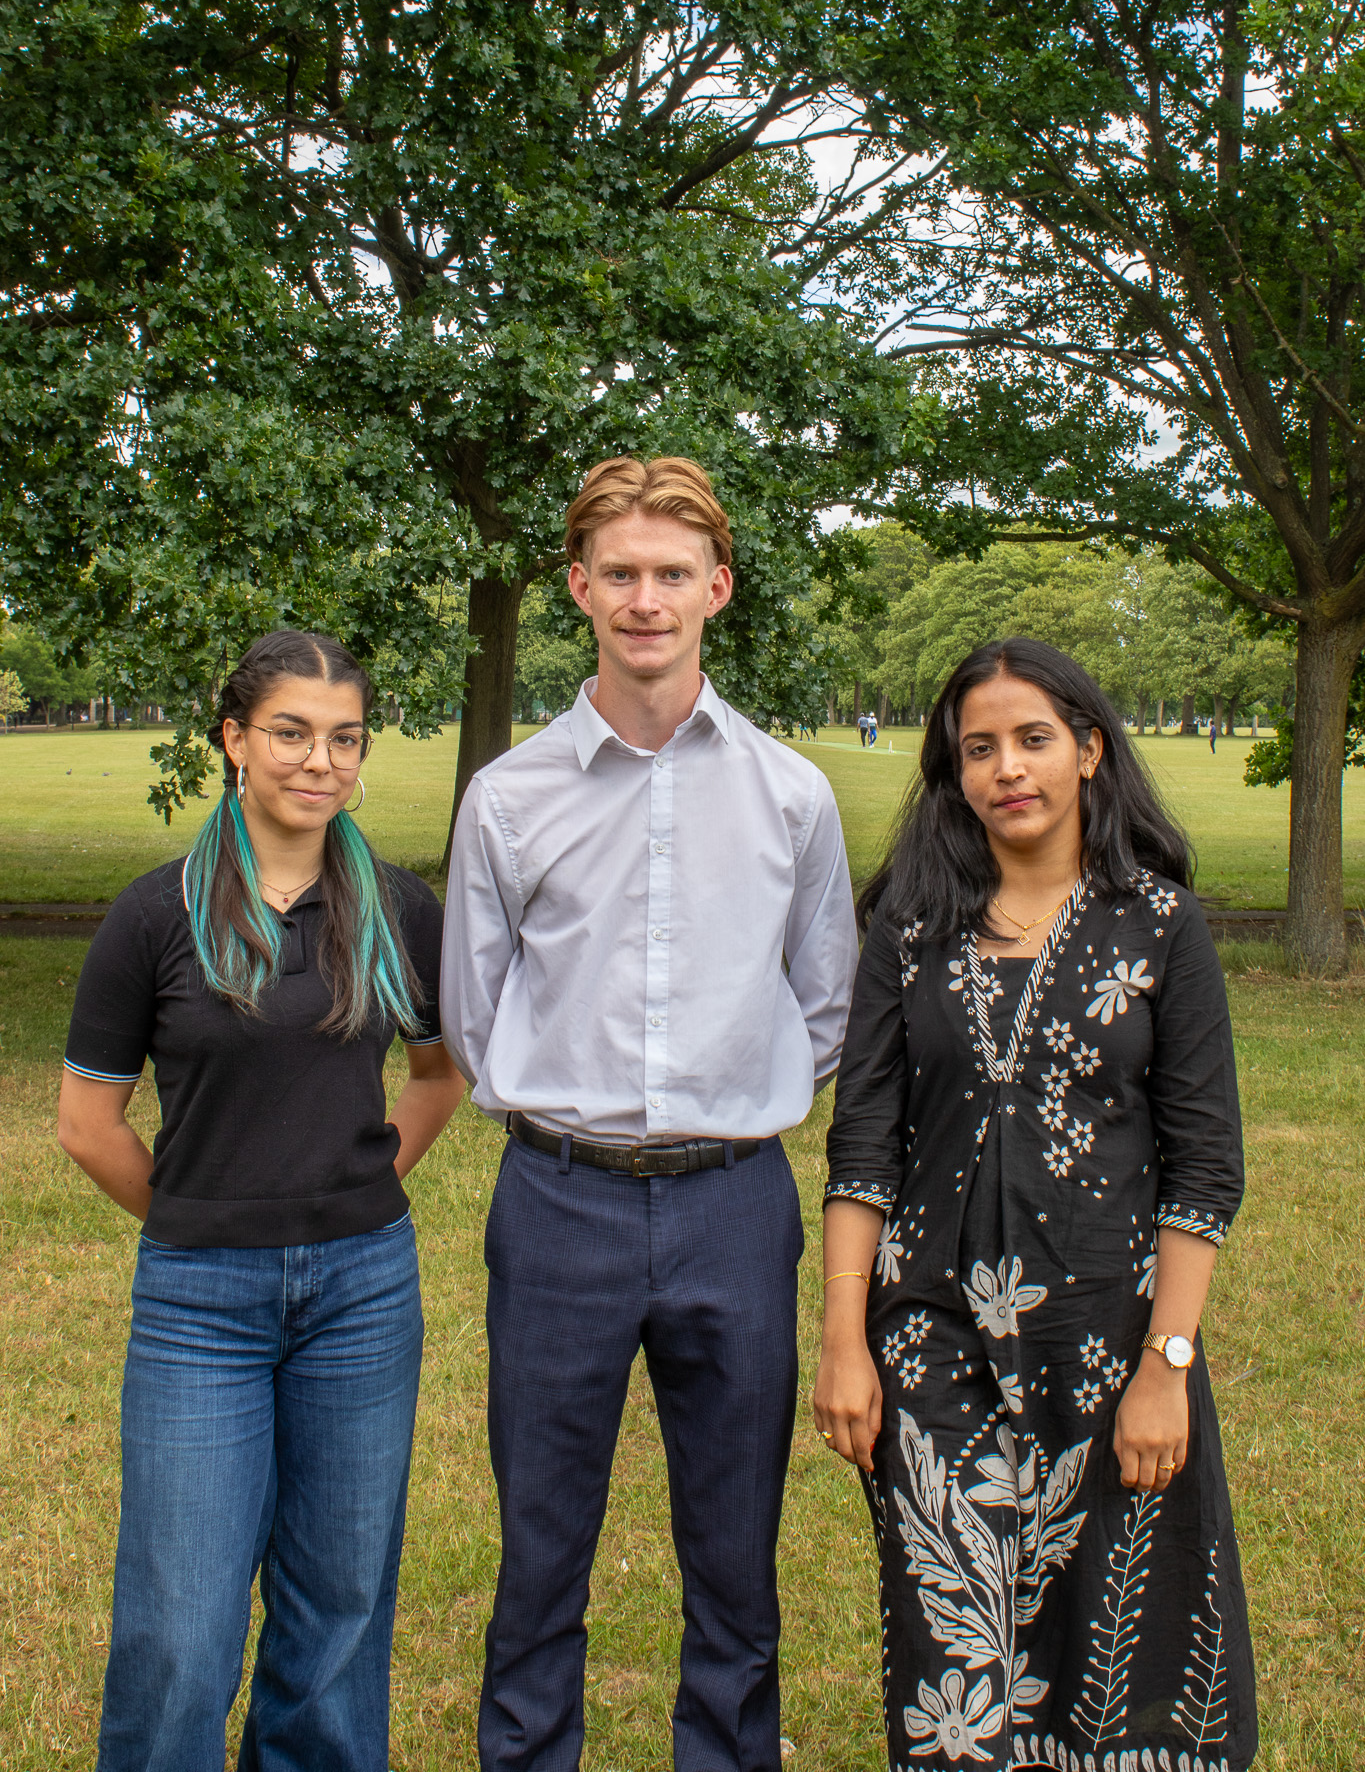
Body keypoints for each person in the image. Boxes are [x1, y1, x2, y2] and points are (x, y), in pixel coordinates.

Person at [442, 455, 859, 1772]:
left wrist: (731, 1096)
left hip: (736, 1206)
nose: (644, 598)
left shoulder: (792, 795)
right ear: (578, 588)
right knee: (539, 1551)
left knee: (735, 1559)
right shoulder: (509, 798)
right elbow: (473, 1008)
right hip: (556, 1202)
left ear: (715, 589)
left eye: (671, 574)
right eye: (618, 573)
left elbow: (828, 1000)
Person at [814, 637, 1256, 1772]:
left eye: (1033, 738)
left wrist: (1169, 1364)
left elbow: (1205, 1166)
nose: (1008, 766)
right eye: (978, 747)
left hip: (1111, 1354)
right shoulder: (909, 928)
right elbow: (862, 1146)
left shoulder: (1162, 926)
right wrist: (842, 1343)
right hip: (931, 1347)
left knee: (1116, 1663)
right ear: (953, 773)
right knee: (952, 1666)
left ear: (1090, 751)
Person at [58, 630, 465, 1772]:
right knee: (181, 1623)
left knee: (338, 1605)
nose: (318, 760)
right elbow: (88, 1123)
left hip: (363, 1291)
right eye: (290, 731)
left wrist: (359, 1189)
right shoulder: (153, 917)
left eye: (344, 738)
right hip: (200, 1300)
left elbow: (439, 1075)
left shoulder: (395, 905)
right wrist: (205, 1213)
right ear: (234, 738)